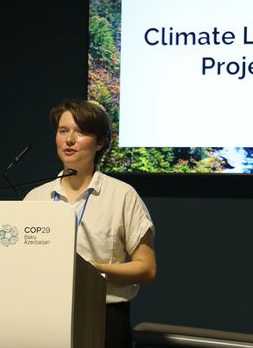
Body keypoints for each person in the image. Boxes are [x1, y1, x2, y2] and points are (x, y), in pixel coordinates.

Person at [24, 100, 156, 348]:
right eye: (63, 131)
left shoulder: (122, 196)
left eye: (80, 132)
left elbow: (146, 269)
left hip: (104, 316)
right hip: (44, 314)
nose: (69, 140)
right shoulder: (36, 197)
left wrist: (90, 269)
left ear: (100, 143)